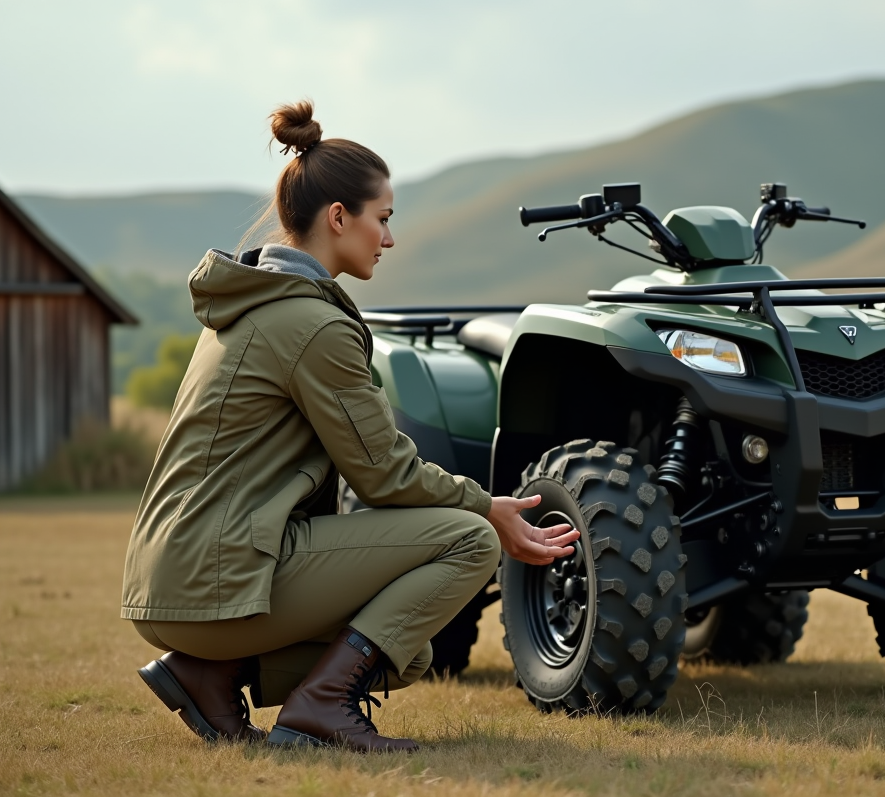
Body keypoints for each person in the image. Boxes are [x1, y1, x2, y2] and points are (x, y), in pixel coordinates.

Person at [120, 100, 579, 752]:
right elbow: (383, 473)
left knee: (406, 650)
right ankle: (321, 707)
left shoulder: (252, 304)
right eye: (382, 219)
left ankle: (209, 675)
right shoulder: (311, 324)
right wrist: (488, 506)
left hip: (174, 575)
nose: (389, 240)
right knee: (470, 540)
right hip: (214, 578)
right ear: (339, 218)